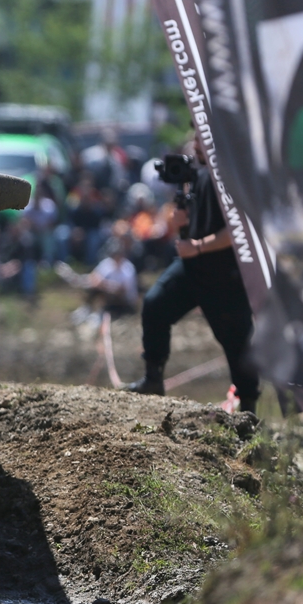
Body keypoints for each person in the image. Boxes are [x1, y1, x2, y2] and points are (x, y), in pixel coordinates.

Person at [124, 138, 260, 414]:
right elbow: (192, 223)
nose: (194, 143)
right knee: (155, 305)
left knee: (237, 341)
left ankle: (247, 407)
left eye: (199, 137)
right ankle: (153, 378)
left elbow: (237, 231)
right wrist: (180, 222)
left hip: (225, 274)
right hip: (191, 268)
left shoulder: (230, 177)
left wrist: (198, 246)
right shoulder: (196, 175)